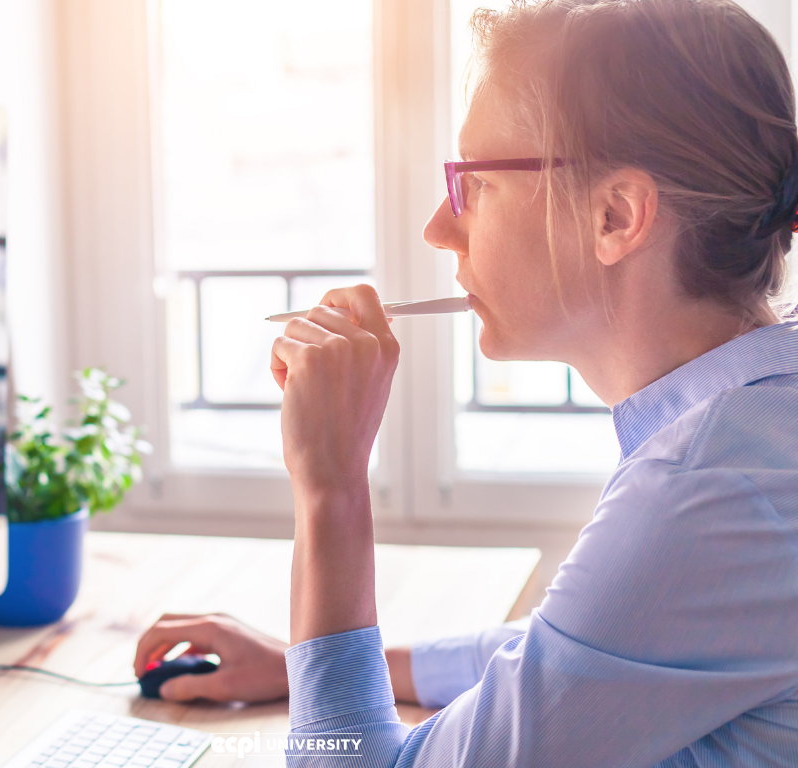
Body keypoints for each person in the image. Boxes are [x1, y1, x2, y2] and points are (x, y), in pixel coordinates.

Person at [135, 0, 798, 763]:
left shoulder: (705, 491)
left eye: (473, 183)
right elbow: (577, 652)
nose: (438, 229)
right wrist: (306, 665)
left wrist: (332, 485)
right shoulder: (751, 436)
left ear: (616, 215)